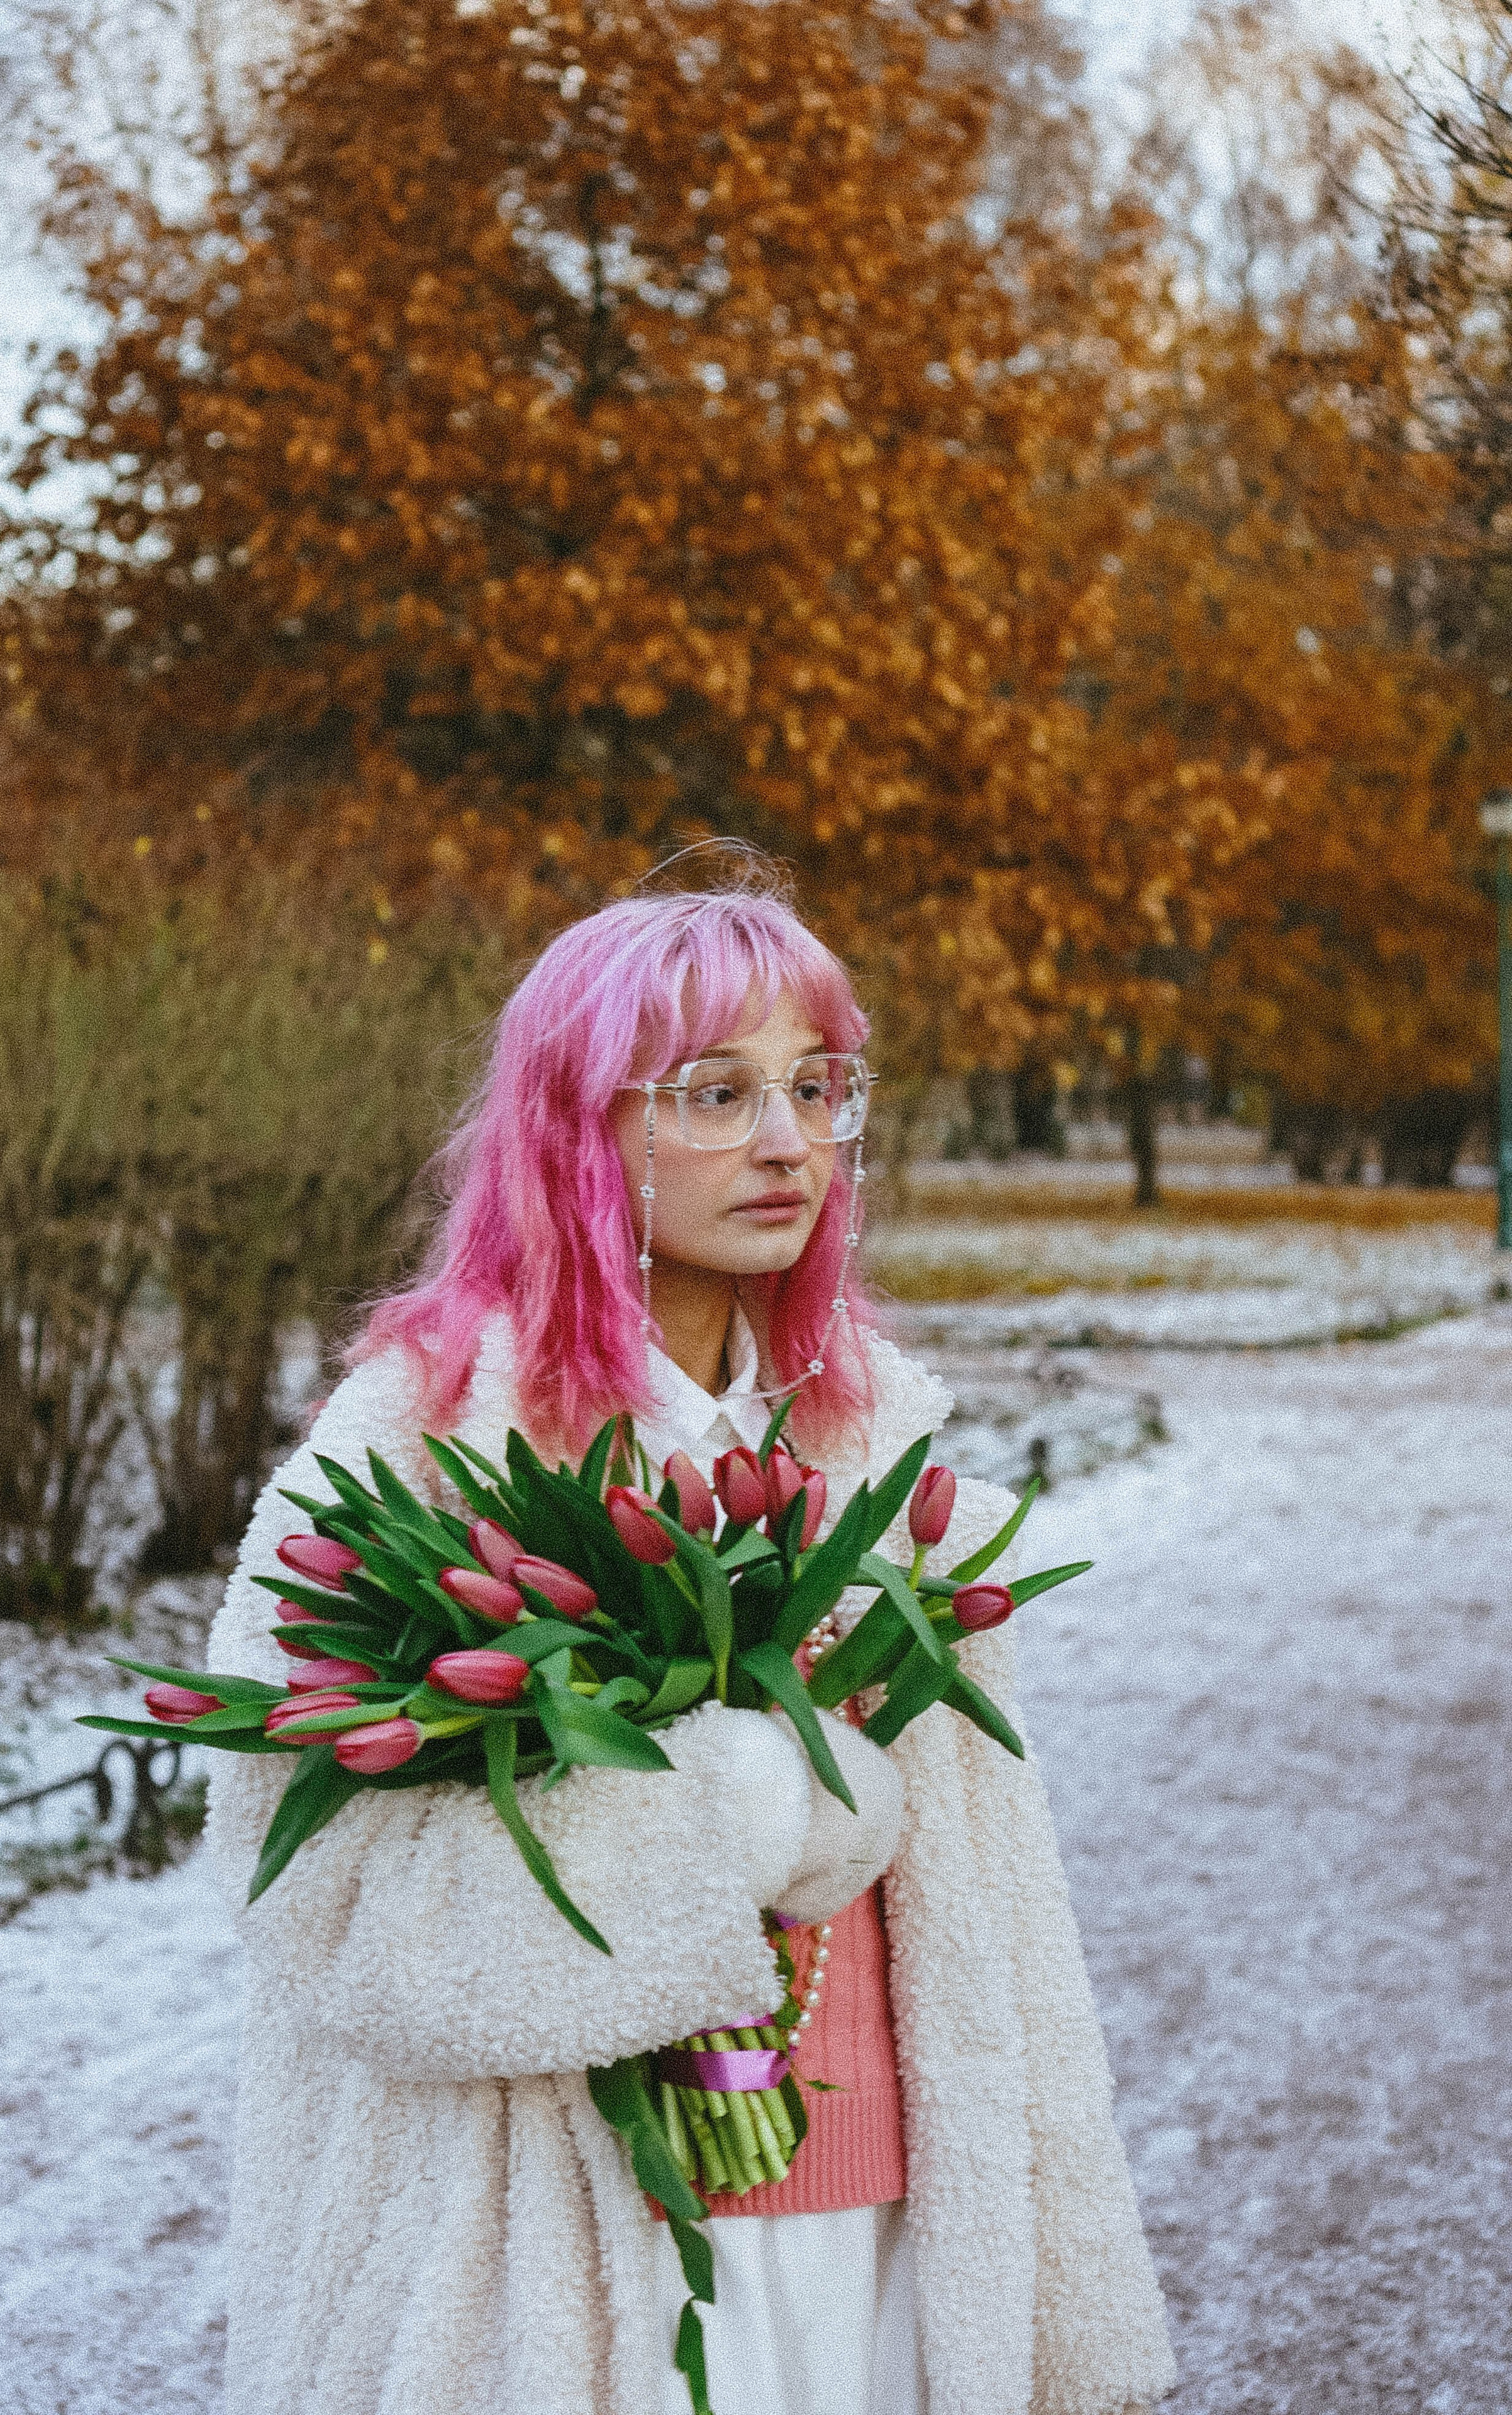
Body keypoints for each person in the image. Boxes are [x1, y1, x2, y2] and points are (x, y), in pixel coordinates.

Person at [204, 879, 1176, 2415]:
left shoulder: (865, 1434)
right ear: (574, 1130)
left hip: (883, 2203)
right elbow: (317, 1900)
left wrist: (1055, 2270)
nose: (788, 1142)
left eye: (816, 1086)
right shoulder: (424, 1442)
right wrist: (736, 1807)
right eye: (717, 1094)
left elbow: (991, 1926)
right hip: (567, 2237)